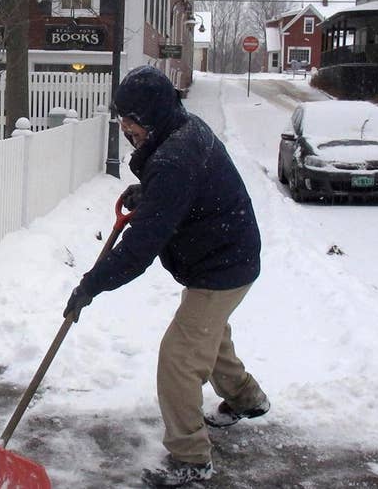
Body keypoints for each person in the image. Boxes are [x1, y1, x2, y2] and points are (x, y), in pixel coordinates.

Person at [63, 66, 269, 488]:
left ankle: (191, 459)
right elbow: (183, 189)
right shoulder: (182, 130)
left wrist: (91, 284)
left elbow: (140, 248)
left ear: (154, 114)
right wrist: (152, 194)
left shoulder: (176, 157)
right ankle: (247, 399)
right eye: (122, 118)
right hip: (227, 255)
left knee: (179, 357)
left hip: (222, 265)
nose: (126, 127)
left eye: (132, 118)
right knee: (209, 337)